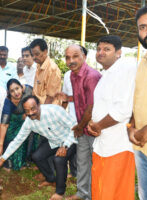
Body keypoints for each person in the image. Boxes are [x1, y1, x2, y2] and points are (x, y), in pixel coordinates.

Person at [0, 95, 77, 200]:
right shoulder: (29, 122)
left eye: (33, 108)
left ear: (39, 105)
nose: (30, 113)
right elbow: (17, 140)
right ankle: (51, 179)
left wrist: (65, 146)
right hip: (54, 142)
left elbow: (75, 127)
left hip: (70, 140)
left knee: (59, 160)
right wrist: (2, 159)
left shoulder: (54, 111)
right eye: (27, 111)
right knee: (37, 156)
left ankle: (60, 192)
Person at [87, 35, 136, 200]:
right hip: (103, 144)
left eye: (107, 49)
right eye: (99, 49)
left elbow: (123, 110)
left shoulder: (126, 69)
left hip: (118, 145)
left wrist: (98, 126)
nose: (101, 53)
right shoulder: (106, 73)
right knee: (101, 189)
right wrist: (93, 126)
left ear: (119, 52)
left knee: (115, 191)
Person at [60, 44, 101, 200]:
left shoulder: (92, 76)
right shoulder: (72, 75)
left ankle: (95, 194)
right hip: (81, 127)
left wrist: (80, 126)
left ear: (84, 56)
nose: (71, 60)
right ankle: (83, 193)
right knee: (82, 162)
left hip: (94, 128)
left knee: (95, 164)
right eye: (68, 57)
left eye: (75, 56)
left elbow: (91, 107)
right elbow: (78, 101)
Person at [128, 4, 147, 199]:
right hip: (144, 150)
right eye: (143, 27)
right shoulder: (142, 63)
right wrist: (131, 126)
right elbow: (136, 100)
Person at [0, 79, 33, 170]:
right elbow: (4, 124)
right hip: (13, 122)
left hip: (28, 120)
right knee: (11, 137)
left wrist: (27, 113)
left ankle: (25, 161)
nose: (16, 93)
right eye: (12, 91)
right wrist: (0, 145)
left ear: (21, 87)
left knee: (28, 137)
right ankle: (8, 162)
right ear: (8, 92)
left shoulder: (29, 91)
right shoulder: (8, 102)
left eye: (17, 88)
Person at [30, 39, 61, 105]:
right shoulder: (38, 65)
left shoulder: (52, 69)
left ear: (45, 52)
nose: (34, 57)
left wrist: (42, 113)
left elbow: (50, 98)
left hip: (48, 110)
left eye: (37, 54)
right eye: (32, 55)